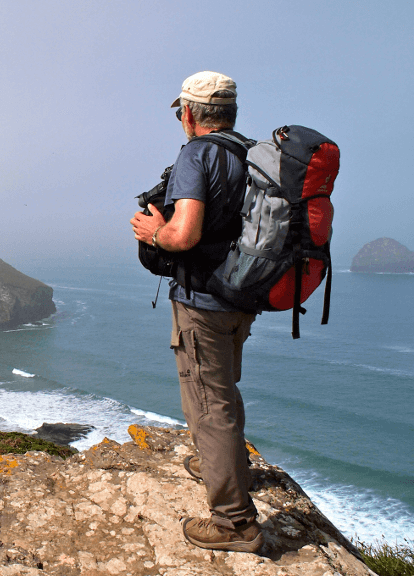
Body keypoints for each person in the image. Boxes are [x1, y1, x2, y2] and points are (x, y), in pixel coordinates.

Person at [130, 71, 264, 553]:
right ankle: (224, 465)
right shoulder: (251, 154)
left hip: (203, 302)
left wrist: (153, 234)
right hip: (242, 297)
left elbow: (183, 235)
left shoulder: (197, 153)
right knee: (223, 390)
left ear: (188, 112)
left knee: (208, 405)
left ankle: (234, 523)